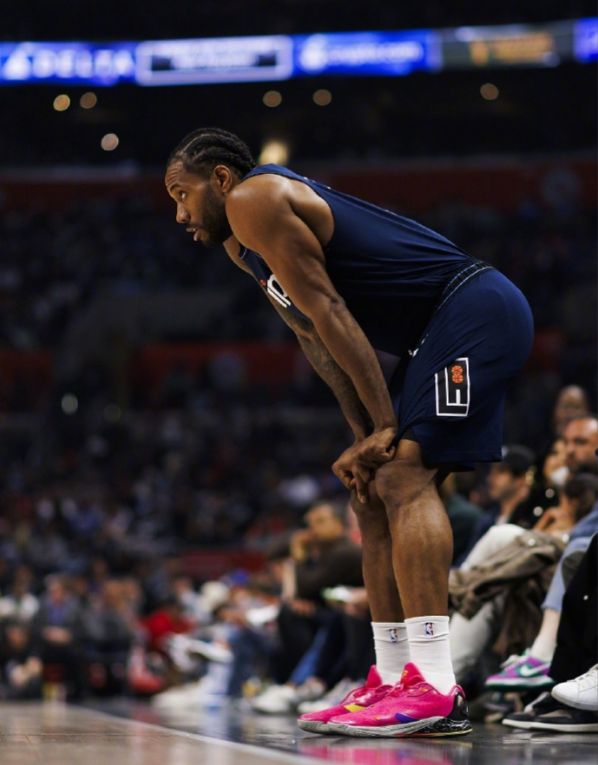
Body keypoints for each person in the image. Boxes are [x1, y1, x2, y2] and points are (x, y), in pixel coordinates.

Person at [165, 127, 534, 737]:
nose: (179, 214)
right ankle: (391, 677)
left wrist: (384, 425)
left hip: (472, 308)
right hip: (430, 334)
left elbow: (333, 311)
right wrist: (362, 437)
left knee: (405, 476)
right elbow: (314, 336)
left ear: (221, 179)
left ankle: (435, 685)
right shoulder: (240, 246)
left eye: (183, 194)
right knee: (371, 490)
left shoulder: (254, 199)